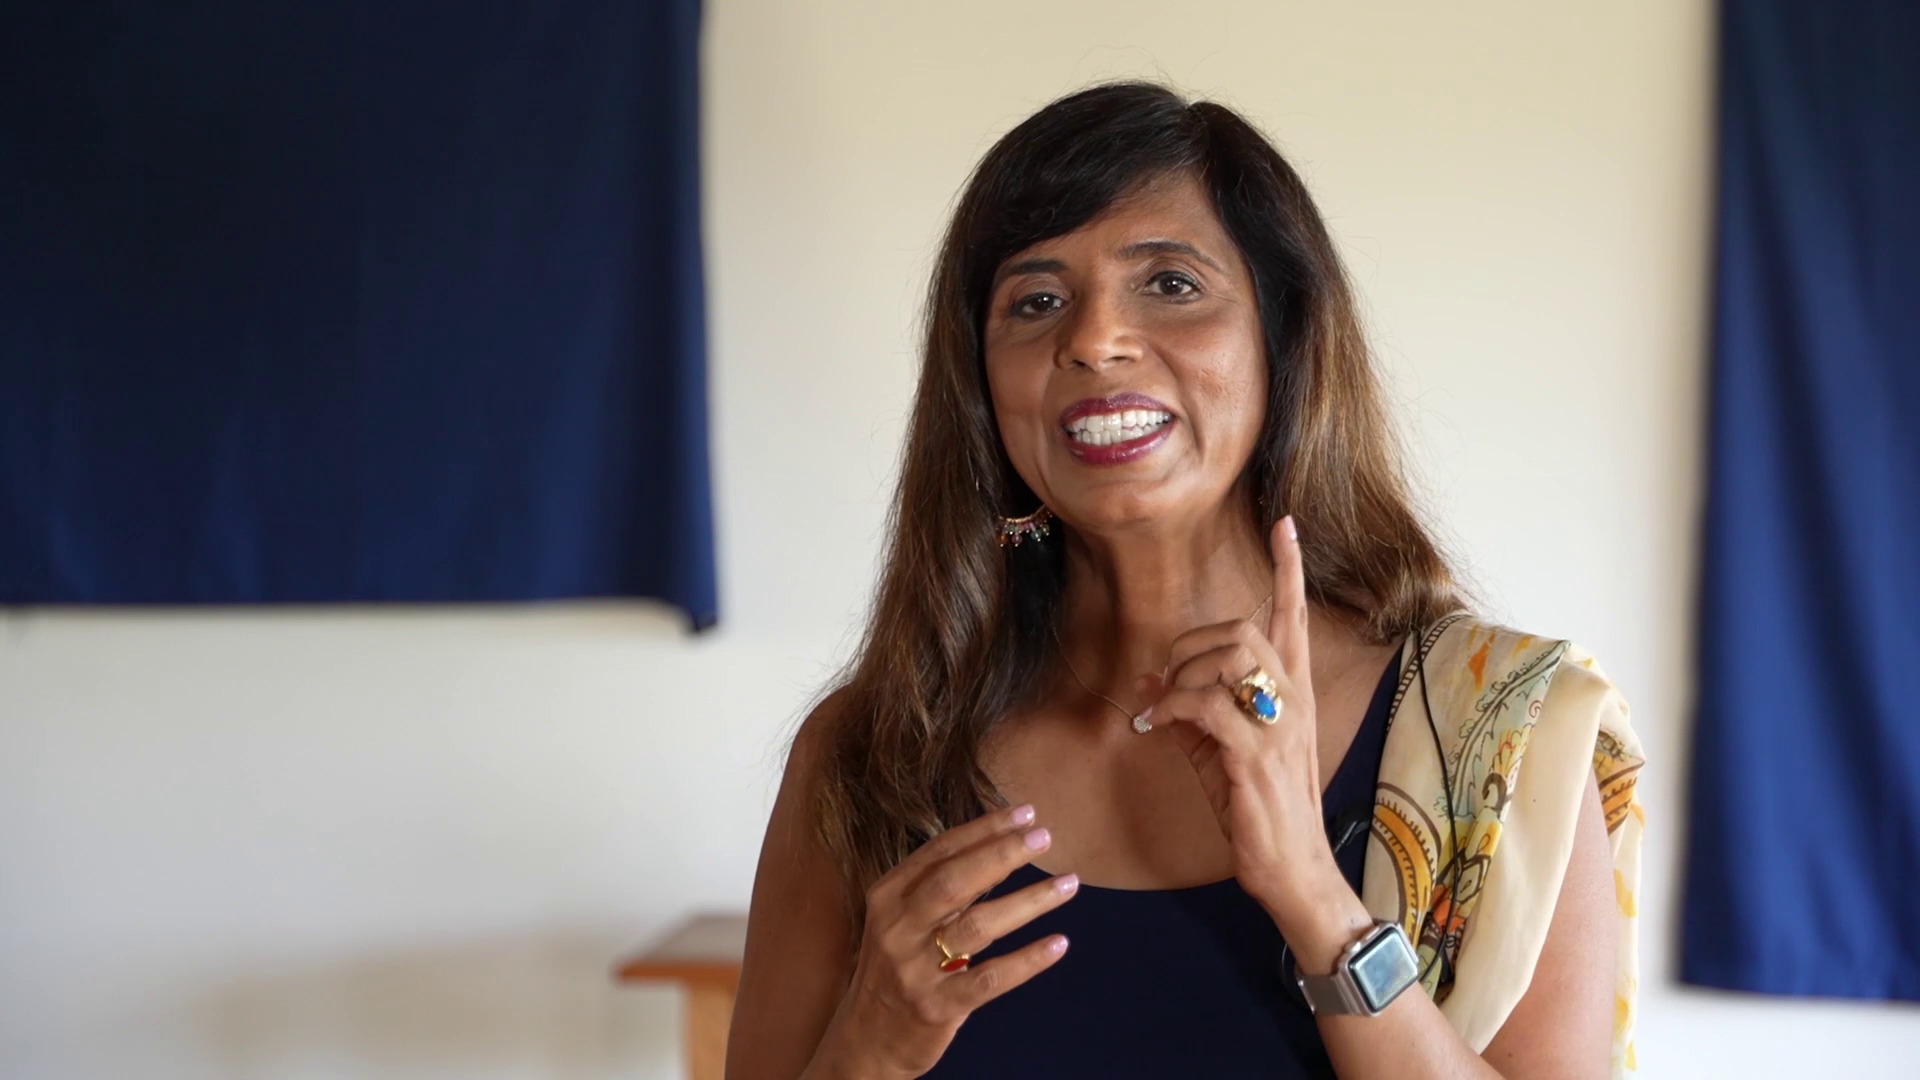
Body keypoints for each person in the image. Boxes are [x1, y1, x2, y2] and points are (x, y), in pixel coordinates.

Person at [726, 82, 1646, 1080]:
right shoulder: (870, 754)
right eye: (1036, 302)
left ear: (1282, 337)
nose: (1094, 340)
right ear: (983, 388)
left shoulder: (1502, 735)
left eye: (1169, 282)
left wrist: (1315, 895)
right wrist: (867, 1044)